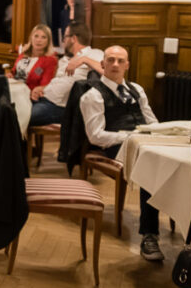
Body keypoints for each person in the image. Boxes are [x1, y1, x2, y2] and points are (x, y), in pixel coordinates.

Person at [79, 46, 162, 261]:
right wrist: (129, 137)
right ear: (103, 64)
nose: (115, 64)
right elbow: (95, 136)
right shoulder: (93, 95)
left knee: (173, 161)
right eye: (111, 60)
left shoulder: (137, 89)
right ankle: (149, 235)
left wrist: (161, 135)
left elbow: (152, 121)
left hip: (146, 141)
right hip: (116, 146)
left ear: (127, 65)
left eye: (120, 61)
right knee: (151, 166)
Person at [28, 23, 103, 126]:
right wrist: (43, 88)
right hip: (43, 98)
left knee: (17, 118)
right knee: (8, 110)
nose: (63, 41)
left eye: (65, 37)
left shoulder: (94, 53)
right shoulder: (64, 59)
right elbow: (60, 82)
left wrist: (84, 59)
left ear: (73, 38)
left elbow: (106, 71)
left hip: (59, 107)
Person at [9, 24, 58, 92]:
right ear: (31, 38)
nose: (39, 40)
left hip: (28, 92)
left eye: (43, 37)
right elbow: (14, 71)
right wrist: (10, 74)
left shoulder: (50, 60)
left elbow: (45, 85)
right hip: (13, 86)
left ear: (48, 41)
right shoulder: (24, 53)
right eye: (36, 36)